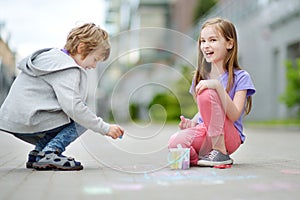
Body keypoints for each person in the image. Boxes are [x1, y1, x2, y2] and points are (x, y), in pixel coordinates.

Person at [0, 23, 124, 171]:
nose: (94, 66)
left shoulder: (52, 58)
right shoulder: (67, 68)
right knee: (82, 116)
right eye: (95, 59)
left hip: (15, 118)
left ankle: (39, 152)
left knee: (80, 113)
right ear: (81, 48)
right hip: (30, 118)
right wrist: (105, 128)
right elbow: (74, 107)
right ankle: (50, 152)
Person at [168, 17, 256, 167]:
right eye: (203, 41)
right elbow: (206, 110)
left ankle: (220, 152)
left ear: (229, 43)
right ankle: (204, 158)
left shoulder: (241, 77)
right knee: (174, 143)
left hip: (229, 136)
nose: (206, 46)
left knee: (207, 91)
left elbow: (234, 114)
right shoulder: (200, 77)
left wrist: (217, 86)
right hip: (205, 133)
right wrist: (193, 122)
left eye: (213, 40)